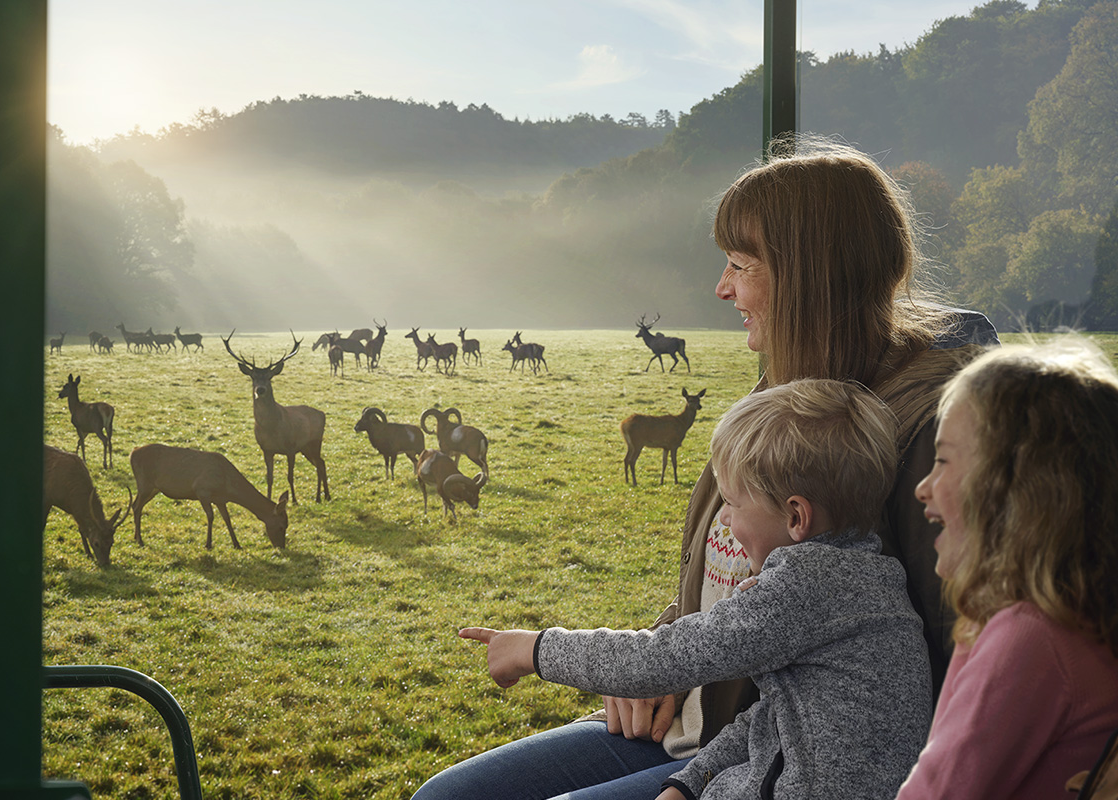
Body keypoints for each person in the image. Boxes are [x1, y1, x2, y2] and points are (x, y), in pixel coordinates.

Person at [411, 136, 997, 800]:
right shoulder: (783, 390)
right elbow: (722, 579)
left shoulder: (918, 434)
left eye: (741, 266)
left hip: (768, 759)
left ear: (809, 277)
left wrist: (588, 659)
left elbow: (942, 662)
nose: (721, 289)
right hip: (692, 719)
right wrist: (660, 661)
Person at [462, 378, 933, 800]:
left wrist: (533, 648)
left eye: (731, 502)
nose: (723, 518)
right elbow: (774, 719)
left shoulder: (808, 587)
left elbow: (657, 661)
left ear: (795, 517)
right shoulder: (863, 576)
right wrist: (690, 783)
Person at [898, 340, 1118, 799]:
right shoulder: (1081, 620)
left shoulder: (1029, 636)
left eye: (942, 461)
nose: (923, 487)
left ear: (1013, 490)